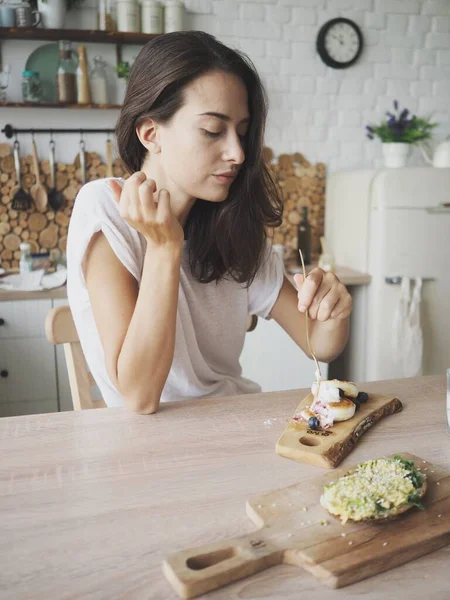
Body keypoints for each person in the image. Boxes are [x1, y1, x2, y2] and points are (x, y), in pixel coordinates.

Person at [66, 31, 352, 414]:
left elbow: (319, 343)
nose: (236, 152)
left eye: (243, 133)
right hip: (148, 452)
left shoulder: (232, 226)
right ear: (151, 134)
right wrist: (165, 246)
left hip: (235, 426)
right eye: (213, 131)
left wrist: (333, 310)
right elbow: (139, 396)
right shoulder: (105, 209)